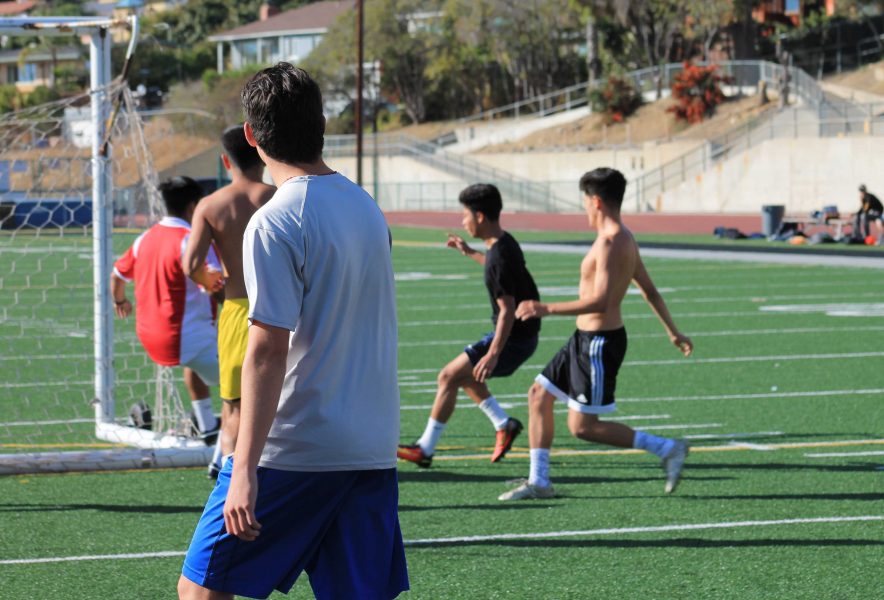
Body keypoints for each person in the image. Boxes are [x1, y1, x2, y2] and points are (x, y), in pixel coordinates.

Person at [178, 62, 408, 600]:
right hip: (370, 443)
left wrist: (242, 471)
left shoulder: (278, 218)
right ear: (322, 124)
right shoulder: (367, 207)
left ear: (253, 137)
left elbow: (266, 350)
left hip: (297, 446)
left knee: (202, 590)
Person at [499, 167, 694, 502]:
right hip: (583, 340)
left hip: (599, 344)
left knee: (584, 428)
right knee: (538, 395)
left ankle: (668, 449)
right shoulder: (623, 238)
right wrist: (673, 331)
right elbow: (649, 290)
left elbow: (601, 302)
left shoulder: (611, 243)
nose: (585, 210)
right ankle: (540, 482)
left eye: (585, 202)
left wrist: (544, 308)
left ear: (597, 201)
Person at [397, 184, 540, 468]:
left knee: (448, 376)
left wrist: (493, 353)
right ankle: (503, 423)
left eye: (465, 215)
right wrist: (468, 251)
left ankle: (424, 448)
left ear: (480, 217)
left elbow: (506, 310)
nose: (463, 221)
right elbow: (495, 267)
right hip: (521, 336)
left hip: (513, 339)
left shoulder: (500, 254)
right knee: (465, 376)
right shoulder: (504, 243)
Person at [182, 124, 277, 479]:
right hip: (285, 312)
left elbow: (191, 264)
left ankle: (228, 484)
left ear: (226, 161)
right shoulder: (281, 195)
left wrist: (214, 285)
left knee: (235, 406)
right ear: (263, 154)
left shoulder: (211, 205)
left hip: (237, 311)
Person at [111, 176, 224, 445]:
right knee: (256, 376)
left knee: (195, 362)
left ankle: (208, 425)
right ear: (193, 207)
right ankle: (237, 441)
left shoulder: (144, 238)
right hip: (183, 338)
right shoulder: (191, 240)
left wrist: (120, 302)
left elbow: (117, 277)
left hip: (151, 337)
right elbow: (216, 285)